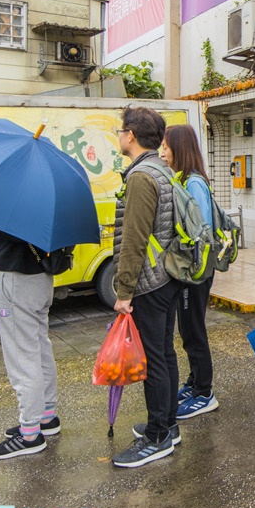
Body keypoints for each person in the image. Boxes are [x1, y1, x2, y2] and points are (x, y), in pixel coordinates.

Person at [111, 106, 184, 468]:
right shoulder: (162, 169)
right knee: (165, 353)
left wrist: (123, 292)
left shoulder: (141, 177)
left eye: (120, 129)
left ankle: (157, 437)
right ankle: (168, 424)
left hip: (149, 282)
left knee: (154, 358)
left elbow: (134, 239)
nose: (118, 135)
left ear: (132, 135)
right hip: (167, 277)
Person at [0, 230, 61, 459]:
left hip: (18, 276)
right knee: (39, 348)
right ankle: (46, 417)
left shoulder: (14, 200)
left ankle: (30, 434)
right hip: (41, 275)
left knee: (21, 355)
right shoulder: (47, 197)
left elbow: (7, 228)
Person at [160, 124, 219, 419]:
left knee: (193, 330)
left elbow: (200, 231)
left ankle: (205, 391)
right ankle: (195, 381)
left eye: (166, 148)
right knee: (187, 329)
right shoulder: (184, 179)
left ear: (179, 149)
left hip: (195, 271)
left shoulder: (193, 183)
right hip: (190, 269)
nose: (162, 153)